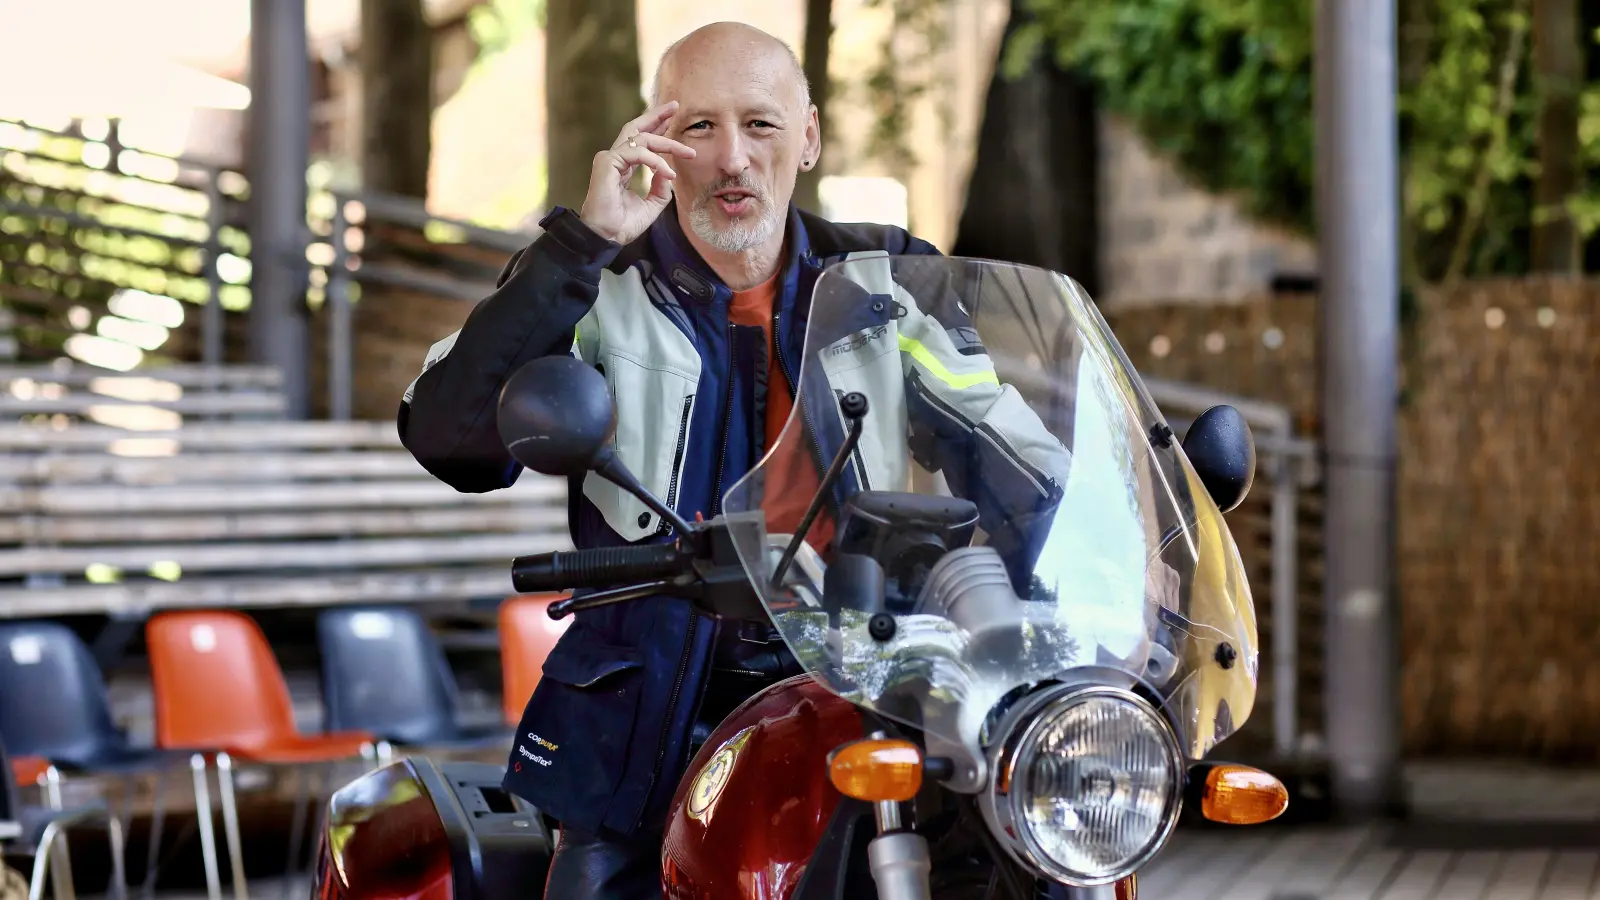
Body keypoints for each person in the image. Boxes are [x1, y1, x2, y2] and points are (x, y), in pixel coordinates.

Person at [399, 21, 1069, 897]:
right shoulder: (597, 281)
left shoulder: (886, 282)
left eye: (759, 124)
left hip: (856, 694)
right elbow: (450, 438)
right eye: (699, 127)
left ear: (809, 137)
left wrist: (1085, 553)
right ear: (658, 140)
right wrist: (583, 240)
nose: (731, 159)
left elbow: (1016, 455)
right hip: (644, 732)